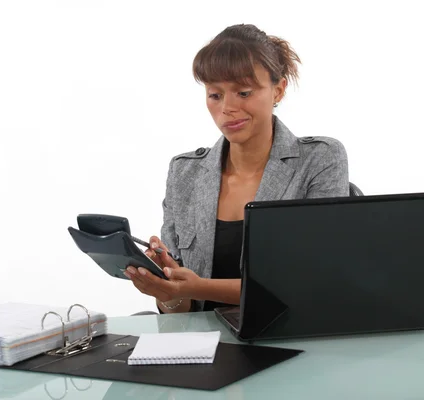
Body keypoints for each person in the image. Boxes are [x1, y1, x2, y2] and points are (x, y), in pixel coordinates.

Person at [124, 24, 349, 313]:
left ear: (278, 90)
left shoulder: (320, 160)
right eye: (215, 95)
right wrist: (166, 289)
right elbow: (181, 310)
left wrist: (195, 286)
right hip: (204, 347)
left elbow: (310, 286)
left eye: (243, 92)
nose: (227, 107)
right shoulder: (184, 173)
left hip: (289, 337)